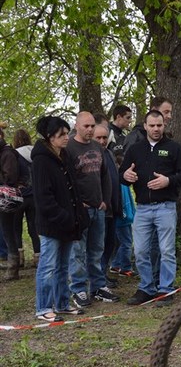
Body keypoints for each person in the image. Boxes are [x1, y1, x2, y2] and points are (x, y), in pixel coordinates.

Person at [120, 109, 181, 306]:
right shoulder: (135, 149)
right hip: (142, 208)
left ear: (164, 125)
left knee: (166, 250)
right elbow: (122, 175)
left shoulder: (174, 148)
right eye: (152, 125)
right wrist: (126, 176)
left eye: (159, 125)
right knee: (141, 251)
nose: (156, 129)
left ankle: (166, 290)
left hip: (165, 207)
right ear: (145, 126)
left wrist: (168, 181)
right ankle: (146, 288)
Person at [32, 116, 89, 320]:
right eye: (62, 135)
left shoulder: (64, 156)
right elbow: (43, 197)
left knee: (63, 267)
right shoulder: (40, 161)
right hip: (51, 224)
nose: (67, 138)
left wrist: (77, 216)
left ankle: (63, 303)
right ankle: (44, 307)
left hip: (68, 223)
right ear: (50, 137)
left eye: (67, 133)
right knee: (48, 266)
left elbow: (73, 189)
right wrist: (63, 216)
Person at [66, 111, 118, 308]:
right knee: (77, 251)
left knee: (97, 249)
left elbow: (105, 176)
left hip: (98, 208)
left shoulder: (97, 147)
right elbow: (66, 179)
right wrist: (77, 203)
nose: (89, 129)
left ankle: (98, 286)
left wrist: (105, 200)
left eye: (92, 126)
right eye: (86, 126)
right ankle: (78, 288)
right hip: (80, 210)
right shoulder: (69, 147)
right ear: (76, 126)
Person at [93, 118, 122, 285]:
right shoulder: (91, 156)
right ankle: (97, 278)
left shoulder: (109, 154)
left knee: (110, 243)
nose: (102, 141)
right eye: (99, 138)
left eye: (105, 138)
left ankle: (103, 272)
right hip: (99, 208)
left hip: (112, 208)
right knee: (98, 246)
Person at [0, 126, 29, 280]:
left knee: (8, 231)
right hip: (5, 197)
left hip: (7, 198)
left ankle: (13, 267)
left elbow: (10, 178)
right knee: (7, 231)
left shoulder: (7, 153)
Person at [12, 128, 40, 267]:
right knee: (33, 227)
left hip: (19, 195)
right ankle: (38, 256)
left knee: (16, 227)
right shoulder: (35, 153)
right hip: (34, 195)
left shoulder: (14, 155)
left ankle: (19, 258)